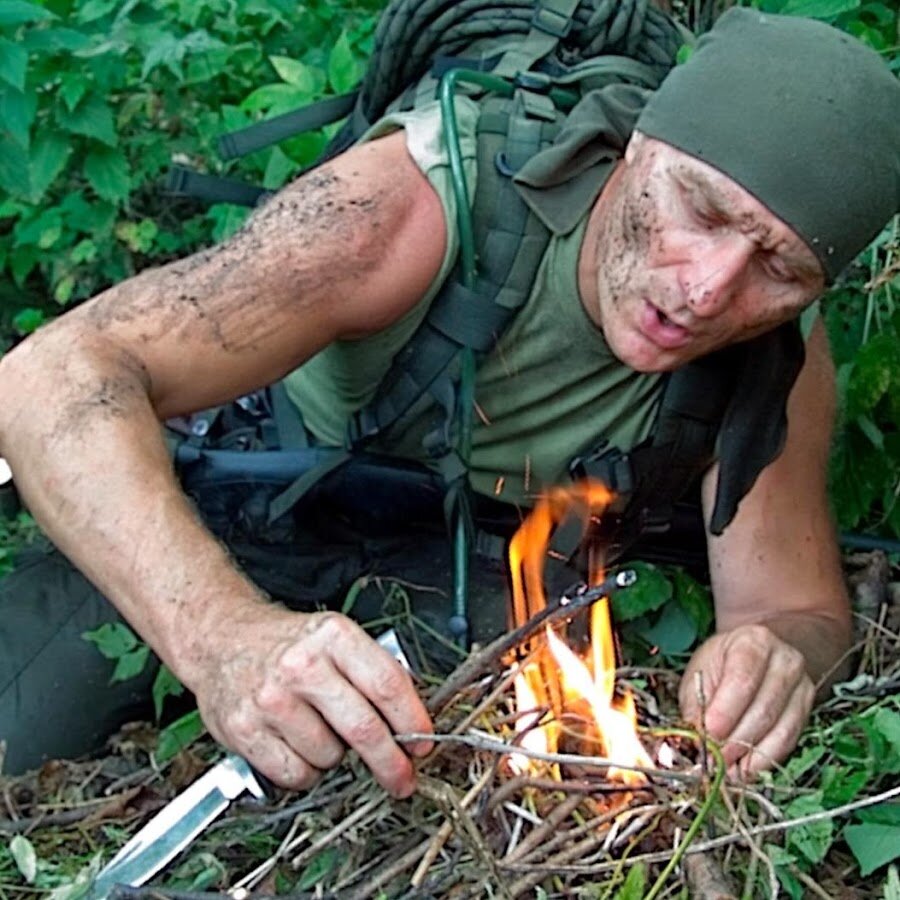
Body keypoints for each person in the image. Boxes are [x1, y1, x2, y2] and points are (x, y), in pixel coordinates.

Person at [0, 5, 898, 795]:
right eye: (699, 211)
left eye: (779, 267)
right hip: (256, 503)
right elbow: (54, 373)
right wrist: (224, 638)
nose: (707, 292)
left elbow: (797, 610)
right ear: (642, 146)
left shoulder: (773, 352)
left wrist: (779, 659)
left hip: (481, 574)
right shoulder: (411, 205)